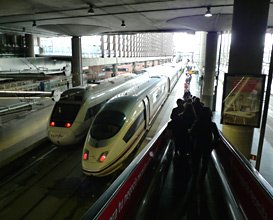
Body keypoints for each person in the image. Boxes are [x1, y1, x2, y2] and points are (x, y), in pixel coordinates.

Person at [189, 107, 220, 184]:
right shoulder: (212, 124)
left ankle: (195, 176)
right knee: (205, 162)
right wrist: (213, 145)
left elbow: (191, 133)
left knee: (196, 161)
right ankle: (202, 178)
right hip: (208, 145)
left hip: (198, 145)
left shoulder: (197, 123)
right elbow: (217, 136)